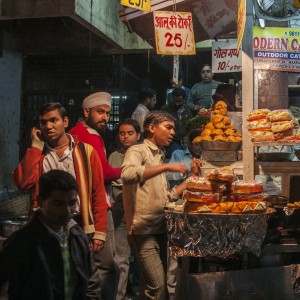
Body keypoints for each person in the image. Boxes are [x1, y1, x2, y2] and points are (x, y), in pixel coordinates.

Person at [12, 102, 108, 252]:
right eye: (43, 122)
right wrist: (36, 146)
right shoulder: (39, 154)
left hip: (79, 223)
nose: (48, 126)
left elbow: (98, 193)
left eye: (53, 120)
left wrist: (100, 231)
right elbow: (23, 183)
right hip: (46, 225)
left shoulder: (85, 152)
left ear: (65, 122)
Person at [0, 170, 101, 300]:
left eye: (72, 203)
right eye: (58, 204)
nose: (67, 211)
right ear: (41, 201)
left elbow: (91, 280)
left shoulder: (76, 235)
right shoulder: (22, 242)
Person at [121, 110, 189, 300]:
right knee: (157, 287)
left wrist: (191, 181)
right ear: (151, 128)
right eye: (168, 127)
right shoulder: (137, 150)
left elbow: (166, 197)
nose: (172, 132)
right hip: (143, 231)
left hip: (160, 229)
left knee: (154, 289)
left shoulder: (158, 156)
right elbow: (126, 174)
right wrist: (167, 167)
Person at [69, 92, 120, 300]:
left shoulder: (78, 131)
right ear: (86, 112)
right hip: (95, 207)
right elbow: (105, 173)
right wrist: (127, 170)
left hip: (82, 206)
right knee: (107, 267)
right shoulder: (88, 135)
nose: (105, 118)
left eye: (107, 113)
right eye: (100, 112)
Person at [108, 118, 141, 300]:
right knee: (121, 257)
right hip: (119, 210)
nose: (126, 137)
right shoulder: (115, 156)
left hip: (140, 210)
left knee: (142, 255)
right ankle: (118, 295)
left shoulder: (144, 155)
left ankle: (138, 289)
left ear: (138, 135)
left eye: (130, 133)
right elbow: (113, 183)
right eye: (122, 133)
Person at [160, 88, 193, 158]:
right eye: (175, 101)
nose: (177, 103)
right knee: (177, 155)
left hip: (186, 140)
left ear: (184, 100)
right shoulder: (166, 109)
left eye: (179, 101)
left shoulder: (188, 111)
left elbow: (191, 126)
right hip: (172, 140)